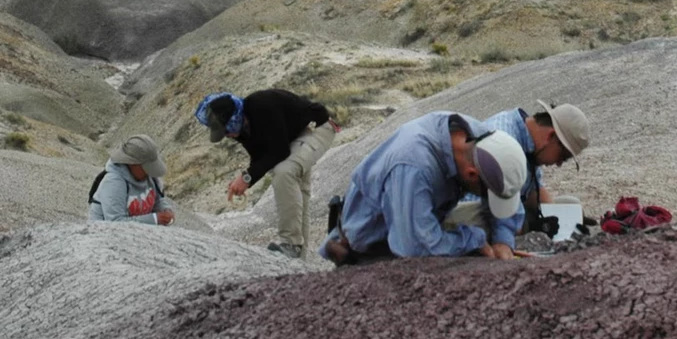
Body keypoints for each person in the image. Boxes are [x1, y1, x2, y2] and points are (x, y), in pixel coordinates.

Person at [320, 111, 528, 266]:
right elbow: (413, 247)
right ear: (472, 174)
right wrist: (474, 241)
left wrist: (503, 240)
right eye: (487, 194)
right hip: (374, 241)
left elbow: (506, 189)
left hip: (425, 218)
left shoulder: (480, 136)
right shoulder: (414, 166)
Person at [195, 89, 338, 259]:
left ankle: (291, 244)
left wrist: (247, 178)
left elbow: (279, 152)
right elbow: (260, 158)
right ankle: (299, 260)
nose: (228, 136)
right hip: (293, 137)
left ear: (234, 118)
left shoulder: (262, 105)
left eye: (226, 131)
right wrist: (245, 178)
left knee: (284, 172)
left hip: (317, 127)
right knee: (299, 196)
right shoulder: (242, 128)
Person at [446, 99, 590, 231]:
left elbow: (534, 191)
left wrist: (562, 220)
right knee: (495, 223)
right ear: (551, 136)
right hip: (468, 209)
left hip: (507, 206)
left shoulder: (531, 144)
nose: (558, 164)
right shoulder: (503, 137)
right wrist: (534, 225)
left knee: (572, 204)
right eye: (562, 157)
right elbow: (494, 207)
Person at [88, 134, 175, 226]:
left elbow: (157, 200)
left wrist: (166, 210)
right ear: (133, 163)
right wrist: (155, 219)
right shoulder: (114, 182)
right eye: (147, 168)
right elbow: (115, 222)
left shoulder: (149, 176)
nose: (150, 173)